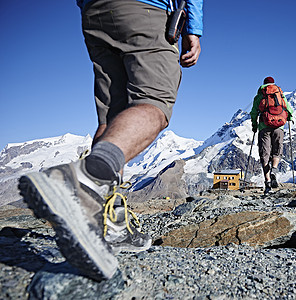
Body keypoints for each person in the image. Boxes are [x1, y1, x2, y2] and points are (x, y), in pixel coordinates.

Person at [18, 0, 202, 281]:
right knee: (154, 103)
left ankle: (108, 224)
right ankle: (83, 181)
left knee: (110, 118)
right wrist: (194, 28)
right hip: (145, 9)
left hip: (94, 12)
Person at [250, 76, 293, 195]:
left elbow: (254, 112)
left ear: (264, 84)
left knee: (265, 154)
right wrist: (289, 118)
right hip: (279, 127)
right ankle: (274, 169)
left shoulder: (260, 95)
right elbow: (289, 109)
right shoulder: (280, 94)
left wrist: (254, 125)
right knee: (277, 151)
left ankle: (268, 182)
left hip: (264, 127)